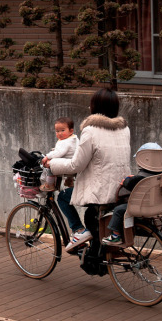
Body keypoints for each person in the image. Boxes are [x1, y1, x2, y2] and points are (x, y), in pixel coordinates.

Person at [48, 88, 131, 253]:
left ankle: (79, 231)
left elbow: (76, 165)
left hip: (102, 192)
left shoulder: (90, 131)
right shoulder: (124, 129)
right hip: (121, 189)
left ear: (94, 107)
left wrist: (52, 163)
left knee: (64, 197)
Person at [102, 142, 162, 245]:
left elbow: (130, 184)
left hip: (141, 205)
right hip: (156, 204)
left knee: (119, 210)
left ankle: (115, 236)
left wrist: (125, 181)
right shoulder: (161, 172)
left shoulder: (142, 174)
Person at [40, 117, 78, 191]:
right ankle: (69, 181)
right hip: (73, 164)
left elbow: (58, 153)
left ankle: (49, 185)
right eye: (57, 131)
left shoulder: (66, 142)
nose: (59, 133)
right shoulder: (74, 139)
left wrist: (47, 157)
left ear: (71, 131)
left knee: (50, 167)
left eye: (62, 130)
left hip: (67, 165)